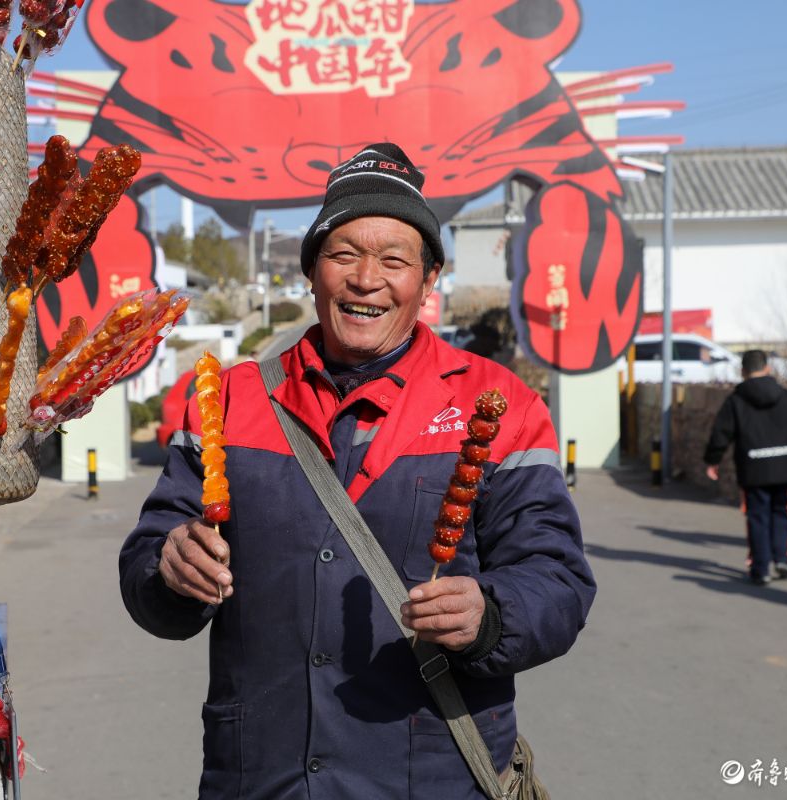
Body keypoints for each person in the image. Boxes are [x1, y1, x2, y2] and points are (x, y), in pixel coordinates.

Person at [119, 143, 596, 797]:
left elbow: (558, 580)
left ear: (429, 281)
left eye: (394, 260)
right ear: (312, 271)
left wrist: (489, 616)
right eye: (343, 254)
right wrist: (169, 568)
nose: (366, 279)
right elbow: (149, 563)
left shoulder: (498, 405)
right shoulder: (226, 402)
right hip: (260, 778)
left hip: (434, 780)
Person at [704, 350, 787, 585]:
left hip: (753, 467)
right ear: (767, 368)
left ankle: (761, 568)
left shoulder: (736, 400)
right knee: (781, 512)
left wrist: (713, 459)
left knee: (757, 516)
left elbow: (721, 433)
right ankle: (782, 559)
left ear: (743, 372)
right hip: (783, 463)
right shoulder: (785, 396)